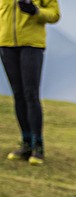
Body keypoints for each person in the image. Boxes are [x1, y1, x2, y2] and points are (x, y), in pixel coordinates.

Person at [0, 0, 60, 165]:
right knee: (18, 95)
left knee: (30, 94)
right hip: (5, 44)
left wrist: (36, 11)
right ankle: (26, 143)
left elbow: (55, 14)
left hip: (31, 46)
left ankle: (38, 146)